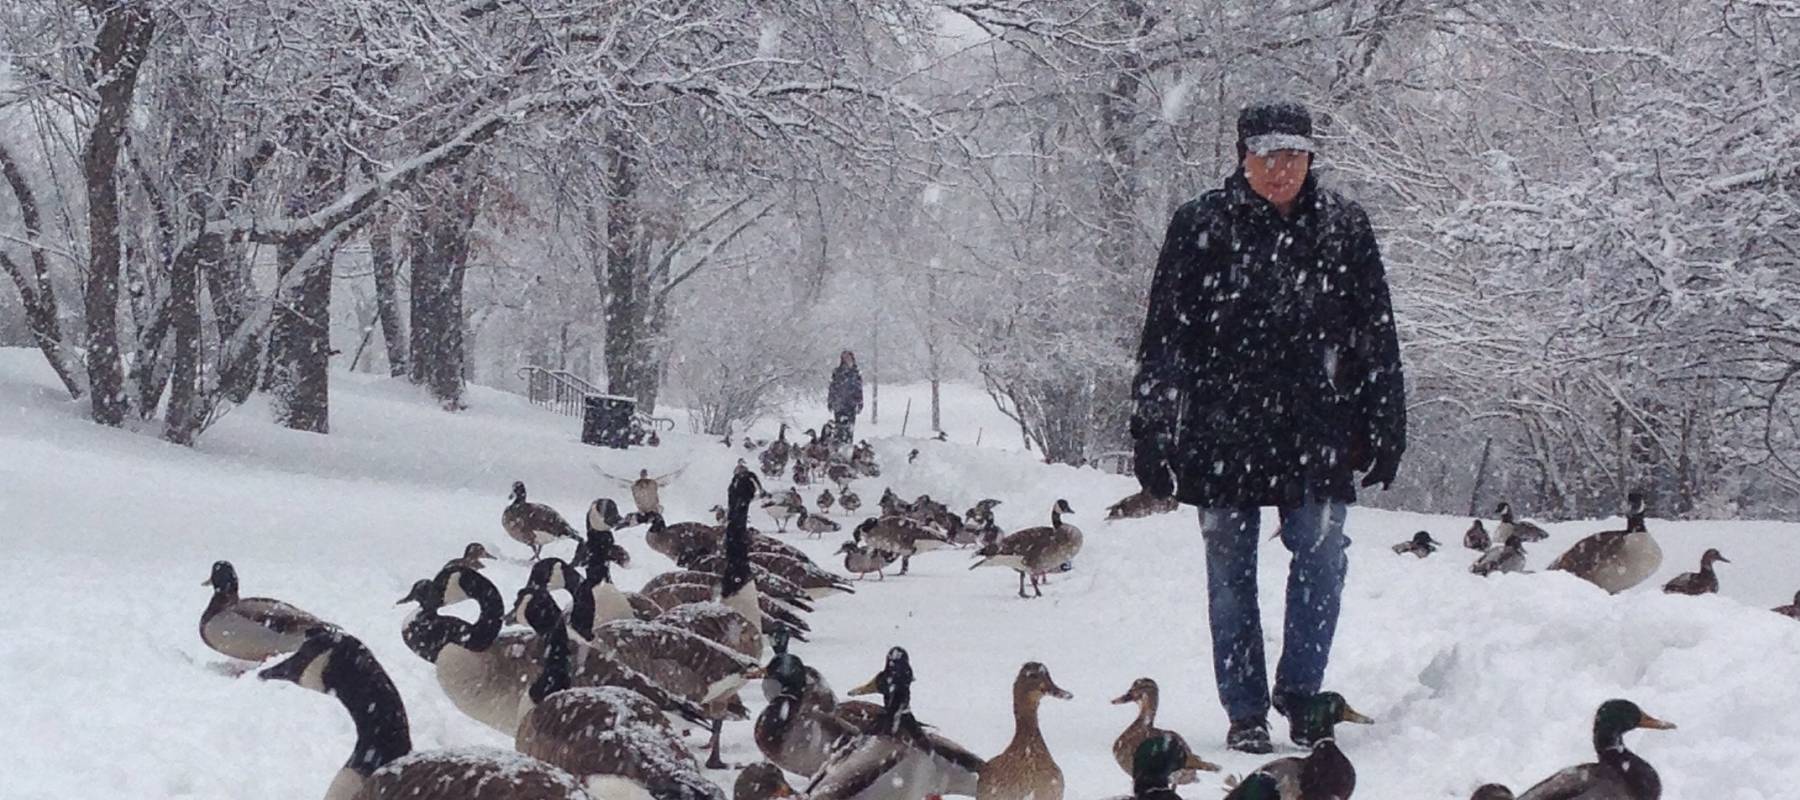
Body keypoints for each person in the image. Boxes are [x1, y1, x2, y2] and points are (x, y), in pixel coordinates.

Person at [1128, 100, 1406, 754]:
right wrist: (1152, 426)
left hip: (1318, 425)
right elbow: (1165, 336)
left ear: (1312, 158)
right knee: (1230, 570)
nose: (1281, 169)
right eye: (1267, 156)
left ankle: (1303, 696)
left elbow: (1376, 333)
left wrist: (1386, 419)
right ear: (1242, 157)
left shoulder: (1344, 226)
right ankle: (1246, 708)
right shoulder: (1201, 224)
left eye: (1294, 156)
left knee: (1323, 556)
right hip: (1223, 425)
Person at [826, 350, 864, 445]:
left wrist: (860, 403)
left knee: (849, 429)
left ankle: (847, 447)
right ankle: (838, 447)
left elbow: (859, 389)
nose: (847, 360)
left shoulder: (855, 373)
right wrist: (831, 401)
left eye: (848, 357)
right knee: (839, 428)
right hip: (839, 404)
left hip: (851, 405)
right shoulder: (837, 372)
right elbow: (832, 387)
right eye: (845, 358)